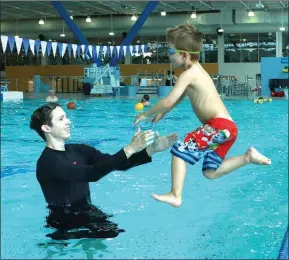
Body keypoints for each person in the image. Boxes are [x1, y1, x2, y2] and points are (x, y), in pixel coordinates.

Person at [134, 24, 271, 208]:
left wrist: (145, 113)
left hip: (218, 126)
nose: (168, 54)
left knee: (180, 150)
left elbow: (167, 100)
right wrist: (164, 112)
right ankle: (247, 157)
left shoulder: (188, 74)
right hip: (228, 129)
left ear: (184, 55)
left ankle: (176, 195)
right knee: (210, 171)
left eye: (170, 50)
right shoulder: (197, 71)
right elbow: (180, 97)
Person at [30, 103, 177, 239]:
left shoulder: (80, 150)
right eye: (61, 119)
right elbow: (91, 174)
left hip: (88, 212)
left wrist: (151, 149)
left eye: (66, 117)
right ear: (46, 128)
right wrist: (130, 148)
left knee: (112, 234)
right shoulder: (48, 162)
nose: (68, 121)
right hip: (64, 222)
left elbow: (116, 163)